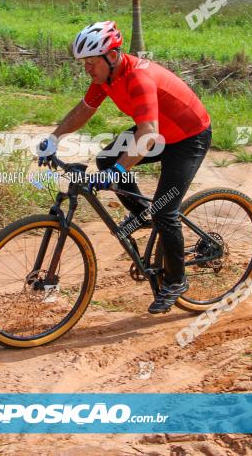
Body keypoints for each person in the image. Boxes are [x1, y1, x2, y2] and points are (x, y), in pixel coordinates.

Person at [38, 21, 211, 314]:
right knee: (106, 159)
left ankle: (176, 281)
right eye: (84, 63)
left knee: (165, 209)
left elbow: (147, 136)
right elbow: (84, 110)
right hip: (158, 133)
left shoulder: (139, 78)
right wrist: (53, 139)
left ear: (113, 56)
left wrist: (118, 172)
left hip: (187, 137)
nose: (87, 69)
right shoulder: (106, 78)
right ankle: (142, 217)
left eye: (92, 63)